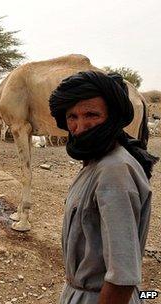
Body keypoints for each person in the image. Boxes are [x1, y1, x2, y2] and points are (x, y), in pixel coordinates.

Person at [49, 71, 158, 304]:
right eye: (72, 117)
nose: (81, 126)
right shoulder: (97, 163)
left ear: (112, 117)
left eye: (91, 114)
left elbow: (122, 279)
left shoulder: (114, 170)